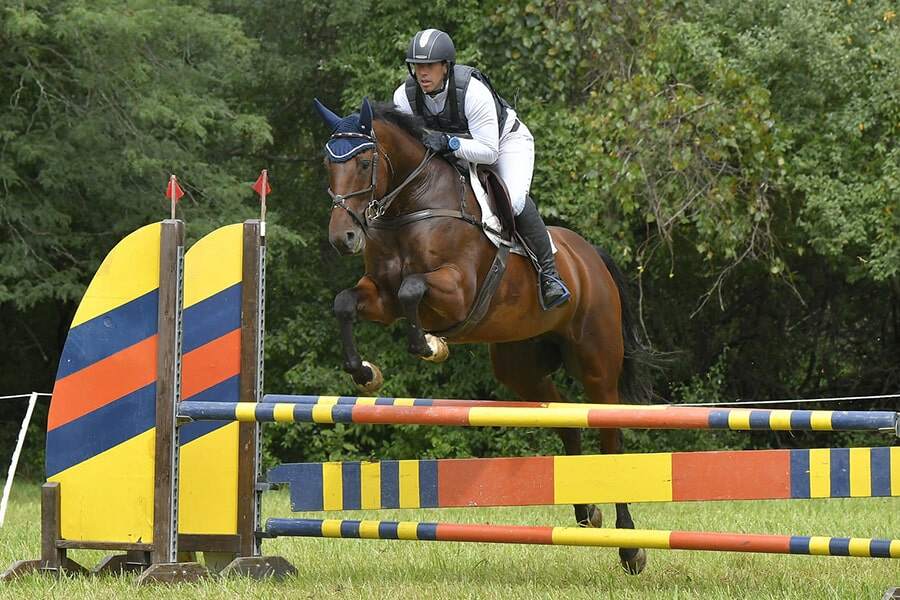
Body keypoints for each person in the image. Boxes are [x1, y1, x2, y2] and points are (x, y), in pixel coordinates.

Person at [392, 28, 571, 310]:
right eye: (417, 66)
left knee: (512, 201)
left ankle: (550, 275)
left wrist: (449, 142)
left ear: (445, 66)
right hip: (454, 152)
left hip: (504, 142)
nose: (422, 73)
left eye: (429, 66)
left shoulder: (471, 91)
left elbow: (489, 152)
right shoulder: (404, 96)